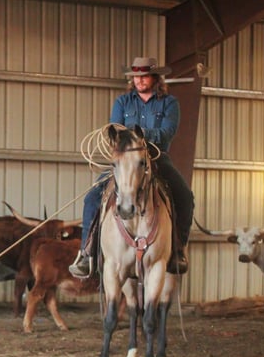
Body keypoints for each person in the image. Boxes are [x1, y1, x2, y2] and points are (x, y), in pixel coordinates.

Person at [69, 56, 195, 278]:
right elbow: (116, 130)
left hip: (156, 158)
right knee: (92, 197)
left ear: (155, 77)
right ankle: (87, 252)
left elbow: (167, 133)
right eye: (136, 76)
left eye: (144, 76)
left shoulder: (169, 103)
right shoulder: (123, 102)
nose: (139, 80)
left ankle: (178, 251)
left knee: (184, 196)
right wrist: (126, 139)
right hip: (126, 161)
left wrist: (140, 135)